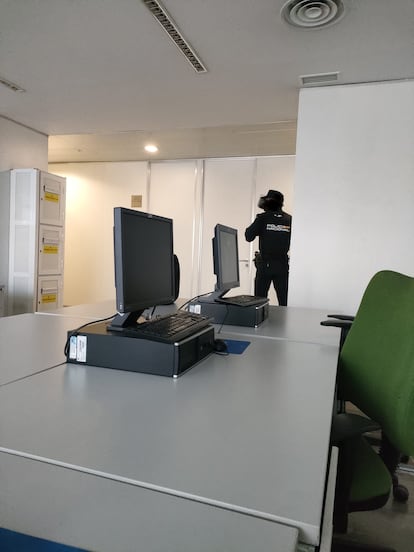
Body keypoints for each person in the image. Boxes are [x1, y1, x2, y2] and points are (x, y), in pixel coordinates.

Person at [245, 189, 291, 306]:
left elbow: (248, 236)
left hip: (265, 265)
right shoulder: (290, 220)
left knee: (258, 303)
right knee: (284, 301)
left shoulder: (263, 218)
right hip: (282, 265)